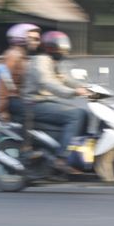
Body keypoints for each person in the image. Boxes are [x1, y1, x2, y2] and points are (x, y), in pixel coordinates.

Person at [24, 30, 89, 173]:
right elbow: (47, 82)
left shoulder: (52, 61)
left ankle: (76, 156)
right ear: (50, 47)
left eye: (65, 48)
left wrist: (84, 87)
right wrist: (72, 92)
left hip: (46, 101)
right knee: (75, 115)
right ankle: (62, 158)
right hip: (35, 103)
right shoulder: (40, 60)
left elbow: (63, 78)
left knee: (84, 114)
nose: (63, 51)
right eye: (60, 48)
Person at [0, 23, 41, 122]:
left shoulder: (23, 57)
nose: (37, 42)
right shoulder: (13, 56)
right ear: (20, 38)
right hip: (14, 101)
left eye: (37, 39)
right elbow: (3, 83)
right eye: (33, 39)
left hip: (22, 99)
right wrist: (2, 110)